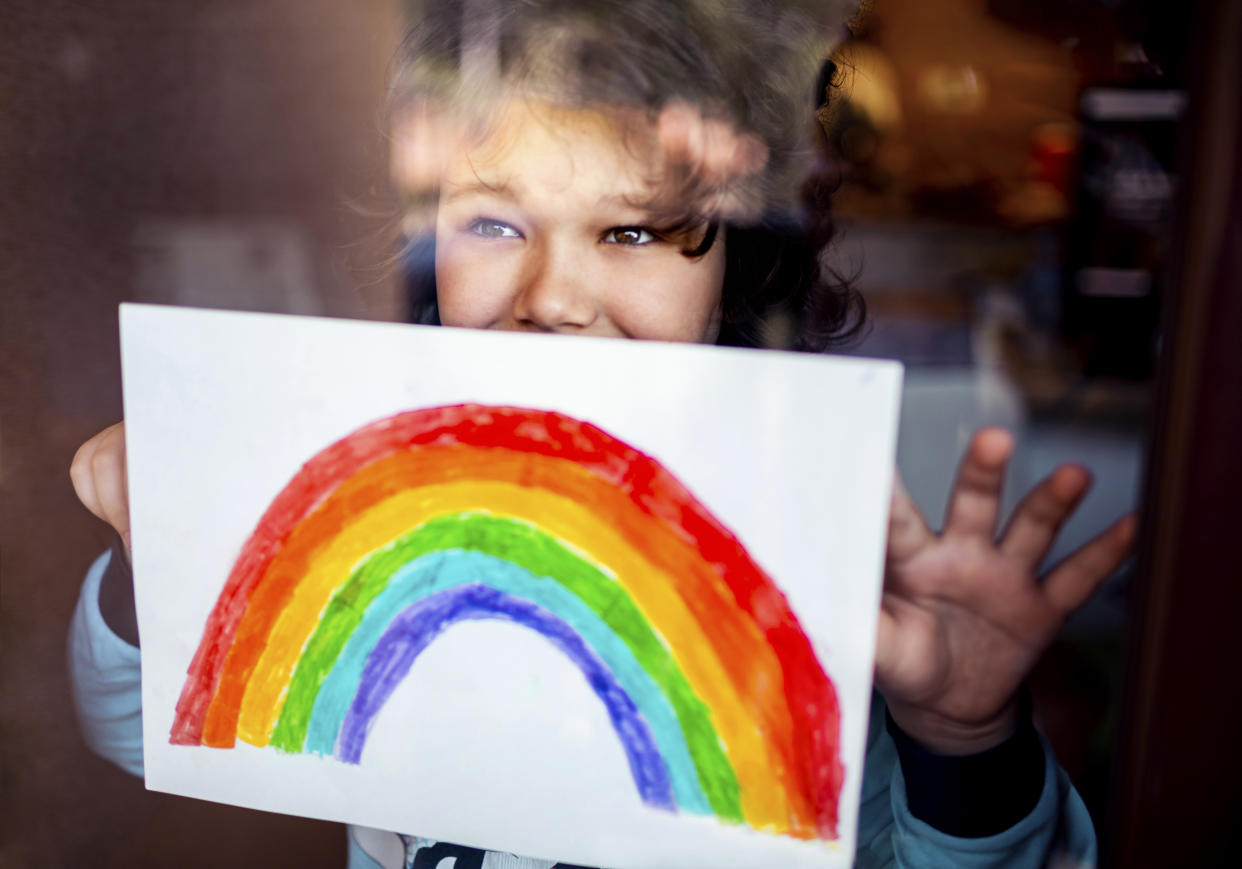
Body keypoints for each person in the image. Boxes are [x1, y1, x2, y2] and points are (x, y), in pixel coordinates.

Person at [68, 2, 1135, 866]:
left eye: (631, 229)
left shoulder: (806, 551)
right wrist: (148, 564)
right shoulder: (389, 490)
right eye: (492, 221)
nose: (555, 296)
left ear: (743, 268)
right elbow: (141, 724)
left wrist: (961, 740)